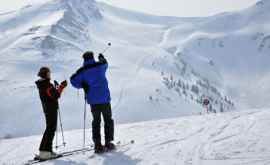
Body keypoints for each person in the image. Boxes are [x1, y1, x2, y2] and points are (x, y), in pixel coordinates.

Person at [70, 51, 115, 153]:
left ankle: (98, 145)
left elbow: (73, 80)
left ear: (84, 59)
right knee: (108, 120)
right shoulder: (100, 66)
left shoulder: (82, 71)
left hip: (93, 101)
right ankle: (108, 142)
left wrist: (82, 84)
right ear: (92, 57)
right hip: (104, 99)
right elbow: (105, 63)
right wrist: (101, 57)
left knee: (96, 122)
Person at [35, 67, 67, 160]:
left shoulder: (42, 84)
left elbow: (51, 95)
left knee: (49, 129)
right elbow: (56, 95)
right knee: (51, 129)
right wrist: (61, 87)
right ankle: (46, 152)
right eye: (49, 72)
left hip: (47, 109)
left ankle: (44, 151)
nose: (50, 74)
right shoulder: (47, 85)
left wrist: (57, 88)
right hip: (51, 109)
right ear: (46, 74)